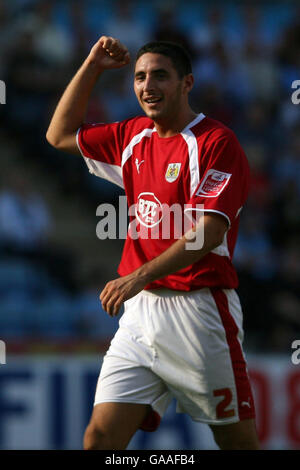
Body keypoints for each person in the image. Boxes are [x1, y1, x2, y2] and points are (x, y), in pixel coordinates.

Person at [46, 36, 260, 450]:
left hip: (200, 314)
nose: (148, 86)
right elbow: (58, 135)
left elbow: (208, 232)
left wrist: (136, 276)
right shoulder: (133, 136)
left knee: (238, 445)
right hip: (140, 318)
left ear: (187, 83)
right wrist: (91, 64)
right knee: (100, 438)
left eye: (160, 75)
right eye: (140, 77)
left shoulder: (216, 143)